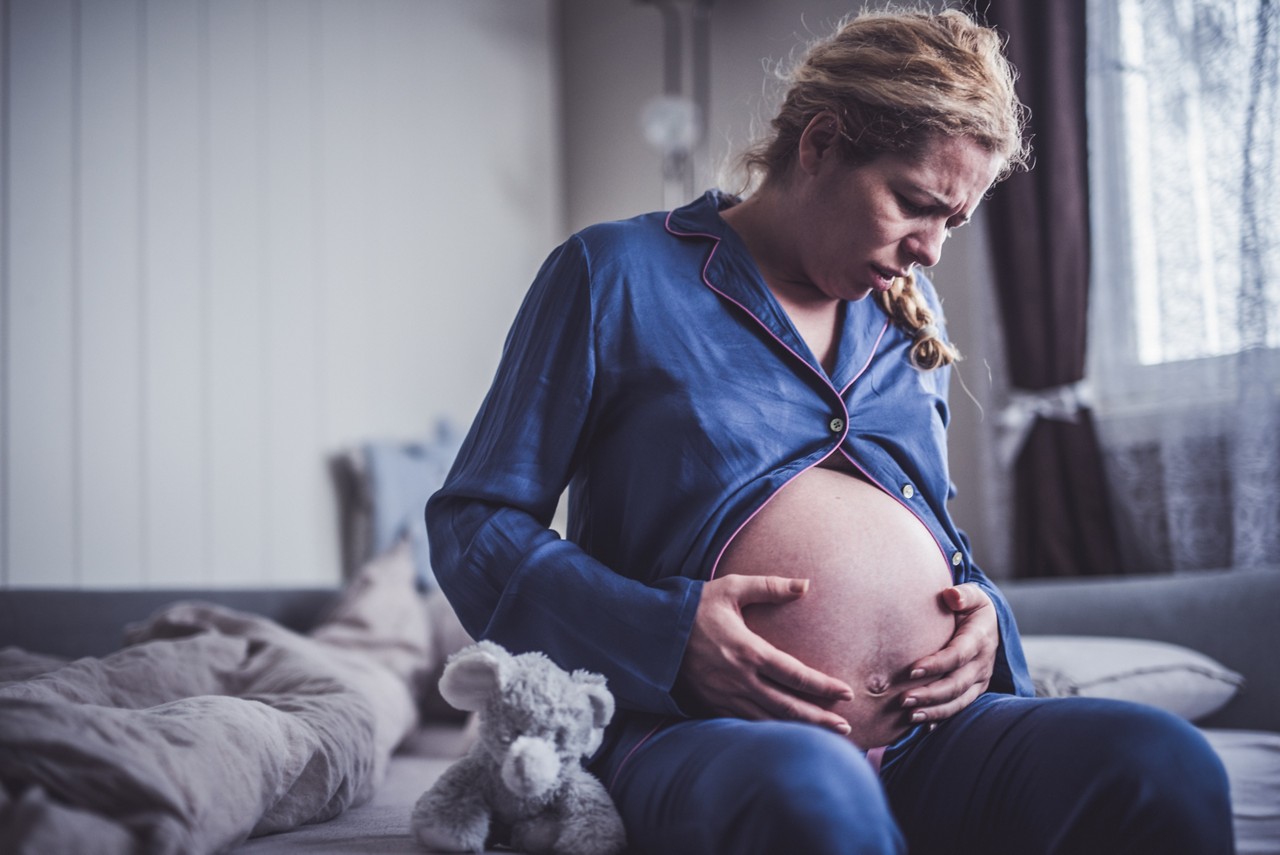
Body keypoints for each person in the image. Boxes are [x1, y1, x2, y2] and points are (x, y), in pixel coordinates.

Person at [426, 8, 1234, 854]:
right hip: (706, 731)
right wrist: (666, 635)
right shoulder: (613, 274)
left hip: (934, 736)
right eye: (915, 203)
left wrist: (984, 617)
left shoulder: (905, 323)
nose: (930, 249)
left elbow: (932, 533)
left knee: (1161, 760)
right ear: (819, 145)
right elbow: (473, 525)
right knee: (811, 790)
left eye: (952, 222)